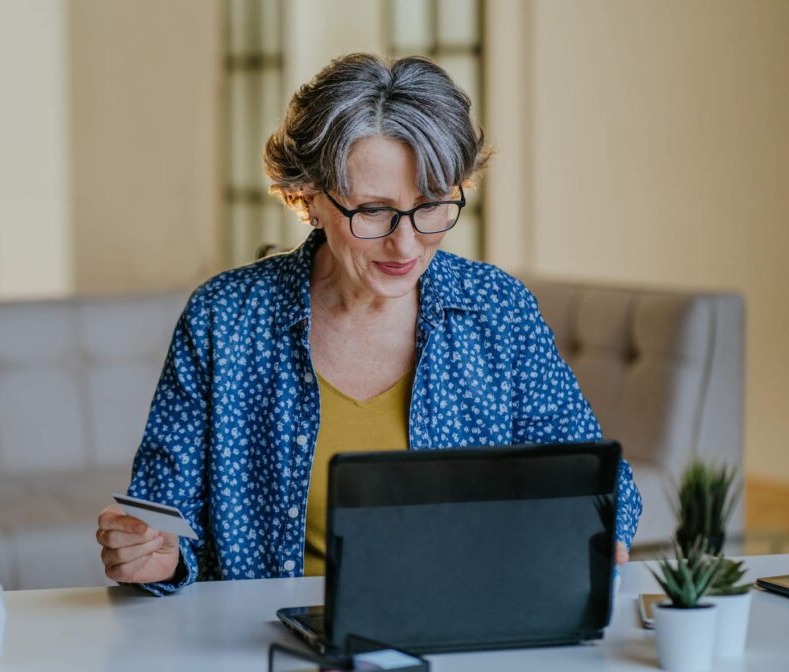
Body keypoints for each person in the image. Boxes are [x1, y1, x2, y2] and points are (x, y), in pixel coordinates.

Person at [96, 53, 642, 595]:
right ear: (309, 197)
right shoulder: (226, 319)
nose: (405, 244)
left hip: (459, 631)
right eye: (373, 211)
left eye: (431, 205)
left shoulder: (496, 310)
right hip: (265, 645)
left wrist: (597, 529)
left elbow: (601, 482)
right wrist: (154, 557)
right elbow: (166, 515)